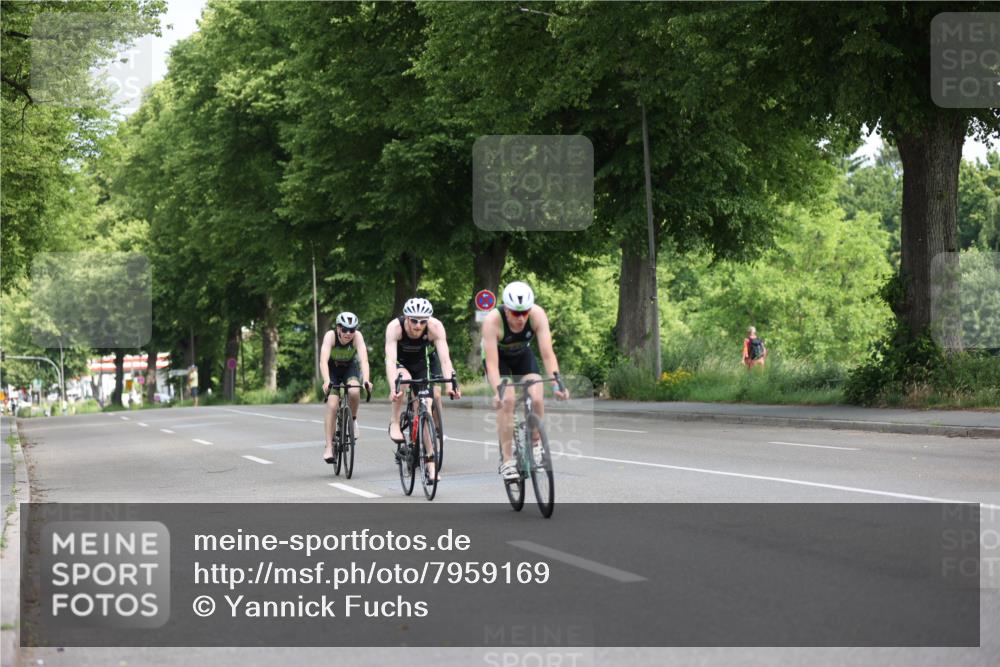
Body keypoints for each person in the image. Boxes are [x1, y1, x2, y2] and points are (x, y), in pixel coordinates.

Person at [481, 281, 569, 481]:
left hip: (522, 355)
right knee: (508, 400)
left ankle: (536, 443)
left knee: (537, 397)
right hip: (498, 359)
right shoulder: (493, 320)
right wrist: (498, 392)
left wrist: (557, 383)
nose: (520, 318)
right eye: (515, 313)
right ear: (506, 309)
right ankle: (506, 460)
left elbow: (547, 354)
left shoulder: (538, 314)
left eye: (524, 313)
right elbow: (492, 365)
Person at [385, 297, 460, 480]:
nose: (418, 325)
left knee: (429, 398)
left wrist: (451, 384)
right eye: (414, 321)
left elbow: (444, 359)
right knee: (403, 382)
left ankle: (431, 458)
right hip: (401, 363)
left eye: (423, 321)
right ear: (406, 317)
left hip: (424, 362)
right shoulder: (395, 327)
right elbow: (390, 361)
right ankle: (395, 422)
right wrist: (392, 386)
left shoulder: (435, 327)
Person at [320, 312, 373, 464]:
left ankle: (353, 419)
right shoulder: (330, 336)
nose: (348, 333)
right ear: (338, 328)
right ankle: (329, 446)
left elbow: (364, 360)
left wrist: (367, 380)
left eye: (352, 330)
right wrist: (326, 381)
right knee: (332, 404)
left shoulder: (357, 337)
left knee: (354, 391)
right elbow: (323, 361)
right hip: (333, 371)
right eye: (344, 330)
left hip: (350, 368)